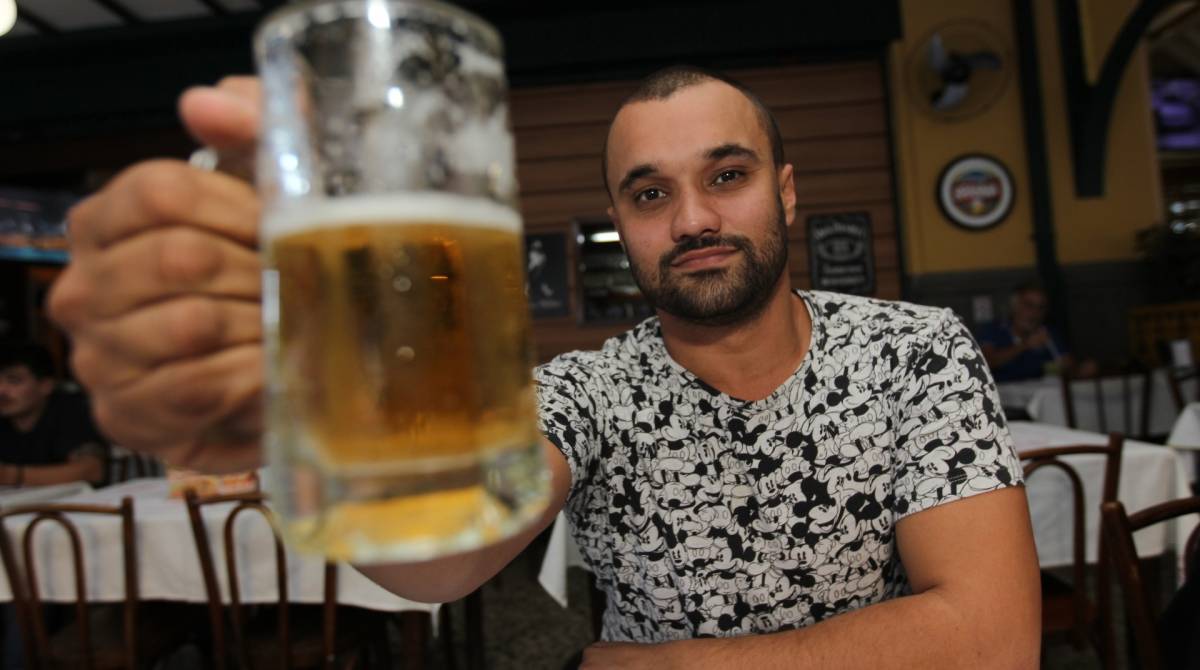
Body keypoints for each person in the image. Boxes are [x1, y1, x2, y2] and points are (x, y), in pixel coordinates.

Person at [48, 66, 1040, 667]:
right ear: (624, 226)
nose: (692, 218)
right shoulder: (592, 389)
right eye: (650, 194)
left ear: (784, 190)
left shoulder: (914, 350)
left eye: (726, 177)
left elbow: (993, 645)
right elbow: (432, 559)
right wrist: (298, 394)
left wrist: (668, 668)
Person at [0, 342, 107, 486]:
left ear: (46, 386)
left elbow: (92, 471)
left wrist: (12, 476)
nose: (1, 390)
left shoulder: (71, 410)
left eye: (14, 381)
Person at [977, 281, 1096, 383]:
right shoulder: (994, 329)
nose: (1035, 313)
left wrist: (1080, 371)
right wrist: (1025, 345)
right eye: (1029, 306)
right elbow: (987, 363)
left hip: (1045, 394)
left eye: (1041, 307)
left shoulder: (1047, 332)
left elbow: (1067, 365)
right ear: (1015, 306)